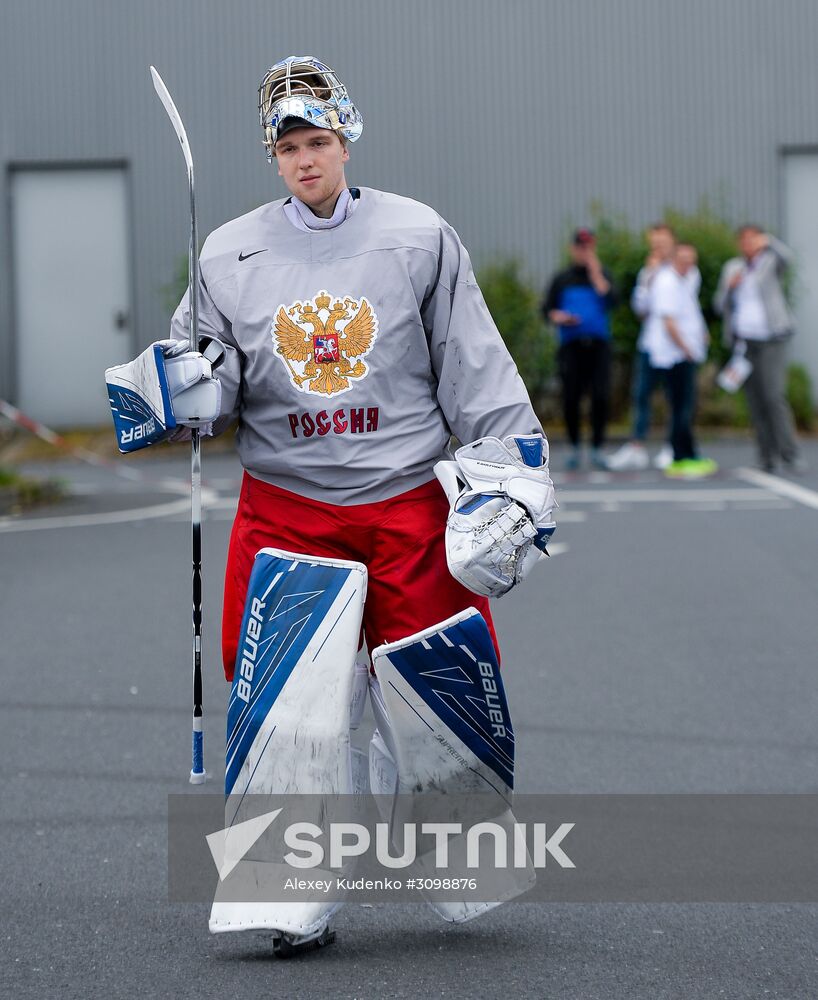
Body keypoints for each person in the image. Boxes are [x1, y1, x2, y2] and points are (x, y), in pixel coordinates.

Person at [108, 56, 556, 952]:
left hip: (406, 504)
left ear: (344, 140)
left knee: (443, 696)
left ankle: (460, 862)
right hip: (289, 509)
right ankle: (287, 896)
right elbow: (209, 375)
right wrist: (177, 391)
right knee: (285, 713)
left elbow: (472, 363)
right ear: (271, 156)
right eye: (288, 146)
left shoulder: (418, 235)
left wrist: (509, 476)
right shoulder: (229, 250)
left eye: (317, 141)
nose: (304, 159)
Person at [714, 226, 803, 472]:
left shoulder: (770, 262)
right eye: (743, 239)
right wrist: (730, 287)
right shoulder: (733, 268)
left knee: (774, 396)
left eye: (753, 239)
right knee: (755, 401)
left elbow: (789, 257)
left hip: (771, 338)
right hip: (744, 342)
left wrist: (770, 241)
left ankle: (789, 454)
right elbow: (719, 304)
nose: (748, 243)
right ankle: (766, 456)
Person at [606, 223, 685, 471]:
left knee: (675, 398)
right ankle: (637, 446)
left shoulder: (683, 270)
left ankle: (673, 447)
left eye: (662, 242)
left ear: (672, 242)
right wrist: (649, 277)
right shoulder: (647, 272)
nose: (658, 247)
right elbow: (640, 310)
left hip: (675, 347)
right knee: (641, 395)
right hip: (651, 343)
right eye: (654, 243)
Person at [542, 228, 617, 471]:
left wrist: (596, 274)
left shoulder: (602, 275)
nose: (585, 252)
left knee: (600, 396)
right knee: (571, 397)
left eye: (589, 248)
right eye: (581, 248)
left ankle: (597, 447)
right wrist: (560, 317)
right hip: (571, 346)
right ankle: (574, 446)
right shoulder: (562, 278)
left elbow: (613, 300)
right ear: (573, 249)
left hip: (599, 346)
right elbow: (547, 310)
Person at [643, 242, 717, 478]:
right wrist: (686, 348)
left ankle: (688, 452)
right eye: (683, 259)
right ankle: (681, 455)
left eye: (691, 259)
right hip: (675, 355)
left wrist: (701, 334)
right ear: (674, 259)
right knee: (681, 407)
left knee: (684, 405)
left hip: (683, 353)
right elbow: (669, 322)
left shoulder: (684, 280)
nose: (688, 264)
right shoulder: (667, 282)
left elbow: (689, 313)